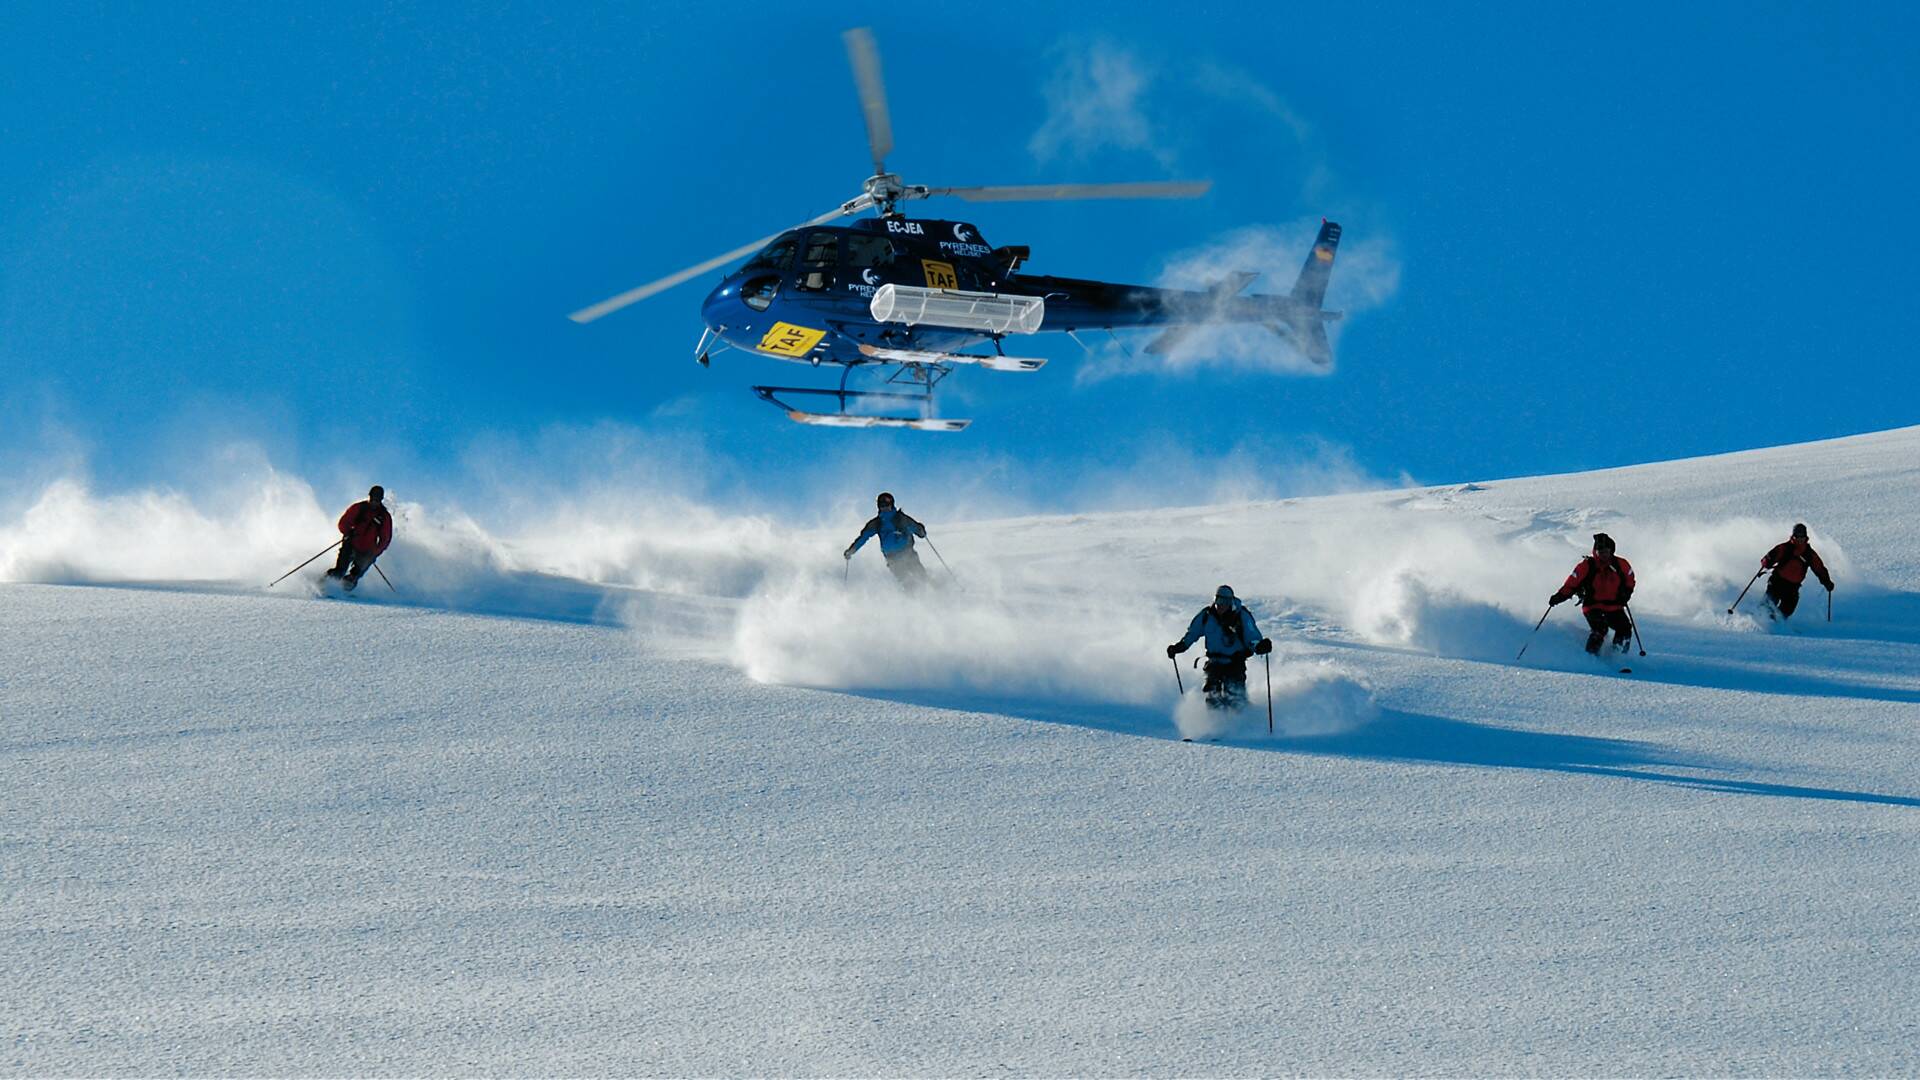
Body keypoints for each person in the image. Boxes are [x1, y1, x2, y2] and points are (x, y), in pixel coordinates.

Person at [1168, 585, 1274, 708]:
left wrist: (1260, 646)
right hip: (1214, 663)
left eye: (1225, 601)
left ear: (1231, 602)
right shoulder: (1206, 616)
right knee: (1213, 698)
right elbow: (1192, 634)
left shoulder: (1241, 616)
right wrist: (1180, 647)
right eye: (1218, 600)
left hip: (1234, 663)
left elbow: (1252, 637)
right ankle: (1214, 718)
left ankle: (1242, 717)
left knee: (1235, 699)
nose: (1220, 605)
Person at [1550, 532, 1636, 655]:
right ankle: (1590, 657)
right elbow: (1571, 584)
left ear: (1611, 550)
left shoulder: (1621, 564)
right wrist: (1559, 597)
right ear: (1595, 552)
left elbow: (1630, 580)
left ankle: (1618, 656)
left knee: (1625, 629)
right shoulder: (1586, 565)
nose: (1604, 554)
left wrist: (1626, 593)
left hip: (1615, 605)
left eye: (1606, 551)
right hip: (1593, 605)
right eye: (1600, 552)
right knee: (1600, 629)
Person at [844, 492, 931, 590]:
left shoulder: (900, 518)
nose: (884, 507)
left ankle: (934, 590)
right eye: (882, 505)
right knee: (907, 582)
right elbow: (863, 538)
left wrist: (921, 531)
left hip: (907, 553)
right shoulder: (877, 523)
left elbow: (916, 529)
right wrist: (851, 550)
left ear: (892, 504)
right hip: (892, 558)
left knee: (920, 576)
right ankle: (917, 596)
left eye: (887, 504)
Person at [1758, 523, 1834, 620]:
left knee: (1787, 610)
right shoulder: (1785, 548)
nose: (1800, 539)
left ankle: (1775, 623)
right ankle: (1757, 618)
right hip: (1777, 582)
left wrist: (1827, 582)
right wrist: (1767, 562)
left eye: (1802, 536)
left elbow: (1819, 568)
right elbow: (1768, 558)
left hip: (1793, 587)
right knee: (1768, 604)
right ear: (1793, 536)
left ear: (1806, 537)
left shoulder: (1809, 554)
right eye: (1797, 536)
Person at [327, 485, 393, 591]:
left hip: (367, 551)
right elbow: (343, 523)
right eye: (372, 499)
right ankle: (325, 584)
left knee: (354, 576)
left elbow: (385, 539)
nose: (374, 502)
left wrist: (375, 552)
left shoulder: (384, 516)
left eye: (377, 500)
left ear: (381, 500)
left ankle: (343, 593)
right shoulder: (359, 508)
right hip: (351, 543)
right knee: (340, 571)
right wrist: (348, 532)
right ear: (369, 497)